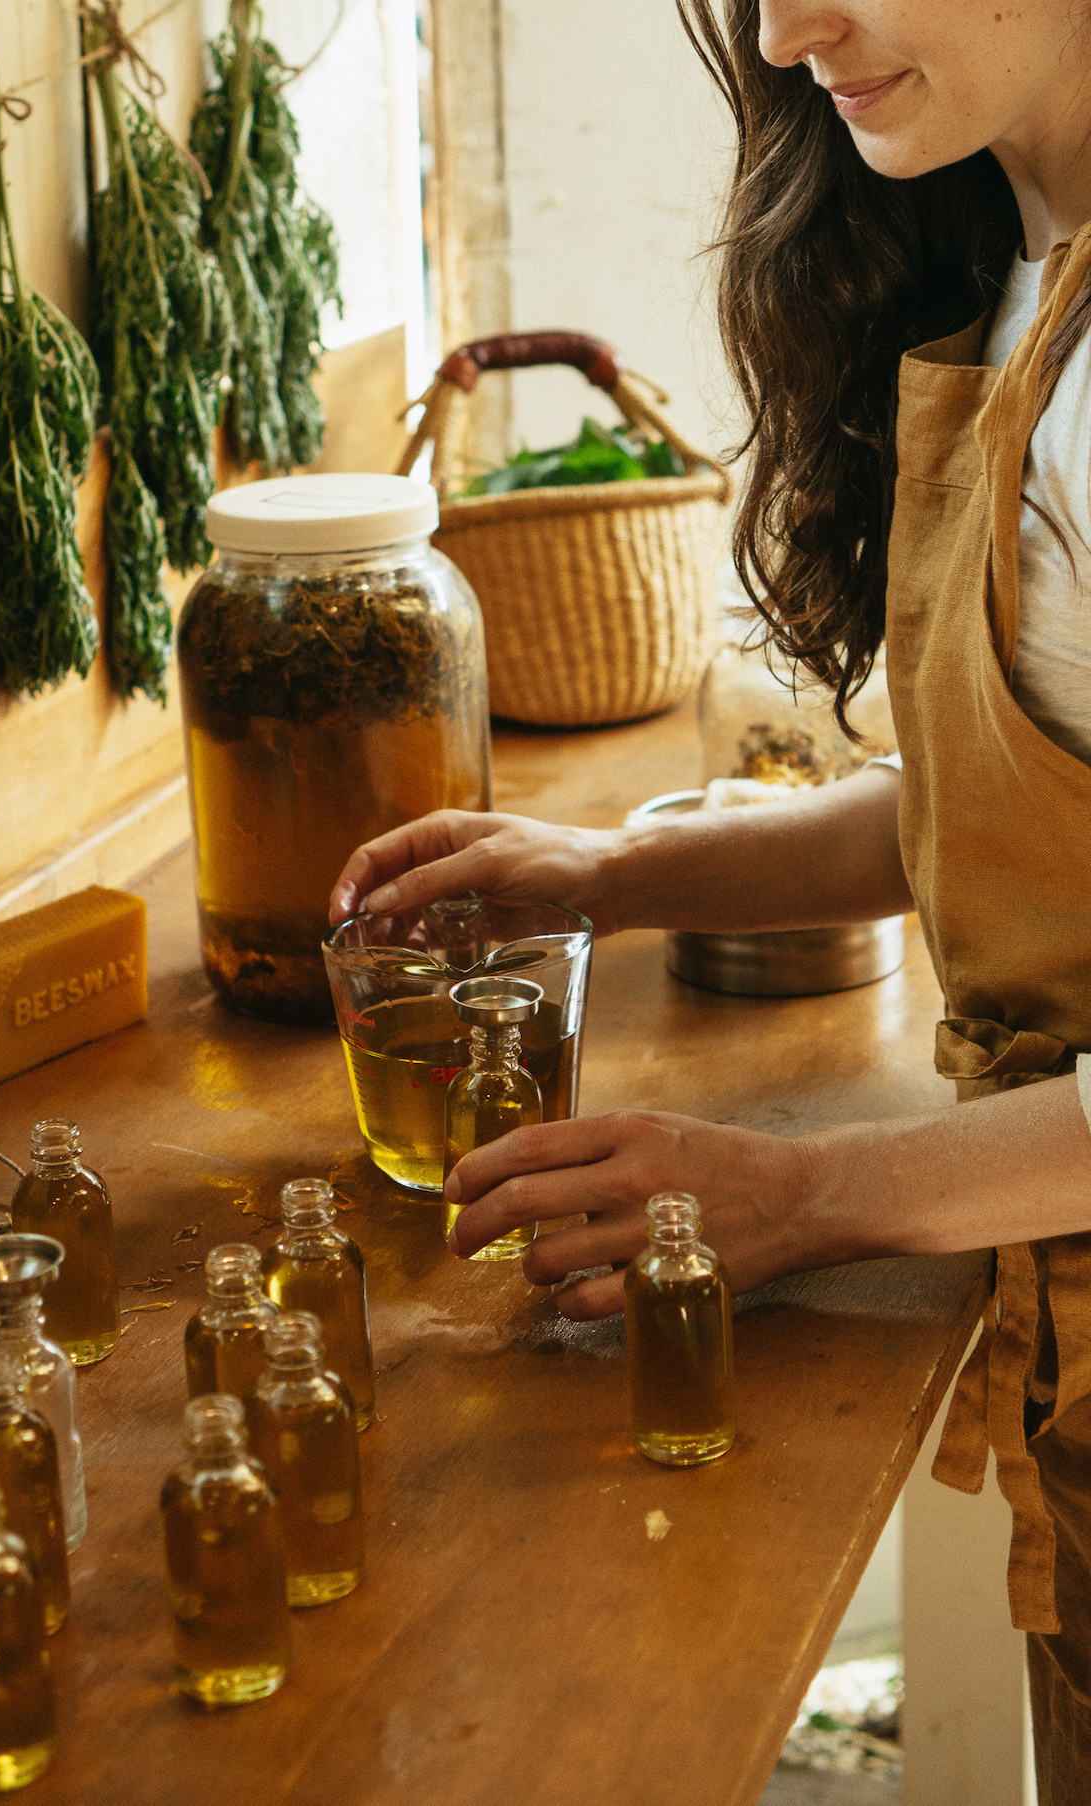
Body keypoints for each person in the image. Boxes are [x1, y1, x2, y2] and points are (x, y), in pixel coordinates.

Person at [331, 4, 1091, 1796]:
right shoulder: (1021, 256)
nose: (782, 27)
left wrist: (808, 1189)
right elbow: (1017, 799)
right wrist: (615, 872)